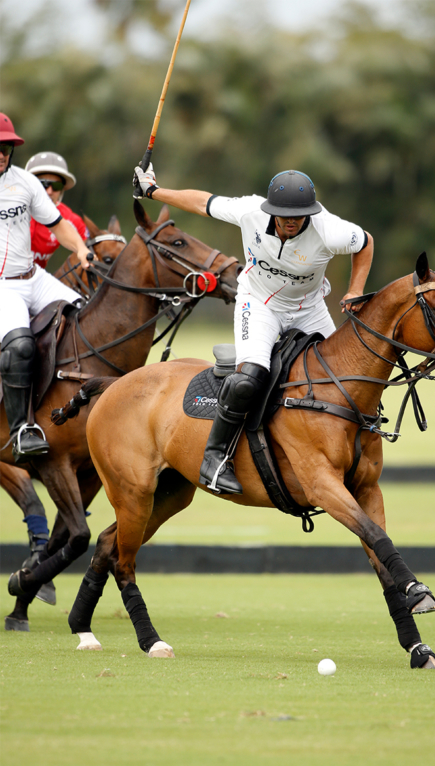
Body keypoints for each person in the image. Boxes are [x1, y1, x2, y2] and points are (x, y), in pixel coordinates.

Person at [133, 164, 374, 495]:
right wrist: (153, 191)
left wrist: (355, 288)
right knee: (250, 377)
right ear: (270, 210)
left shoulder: (329, 230)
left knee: (346, 374)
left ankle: (354, 449)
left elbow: (365, 242)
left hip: (310, 309)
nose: (291, 221)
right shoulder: (250, 212)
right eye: (283, 214)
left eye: (299, 215)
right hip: (259, 304)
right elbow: (203, 202)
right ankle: (215, 458)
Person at [0, 113, 94, 462]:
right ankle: (22, 429)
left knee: (86, 316)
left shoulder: (25, 182)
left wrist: (82, 250)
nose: (0, 153)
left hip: (31, 277)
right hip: (2, 288)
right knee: (20, 346)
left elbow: (57, 224)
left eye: (5, 147)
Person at [25, 151, 89, 269]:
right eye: (43, 184)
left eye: (56, 186)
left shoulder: (70, 220)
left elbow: (93, 247)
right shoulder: (10, 207)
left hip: (36, 278)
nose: (49, 191)